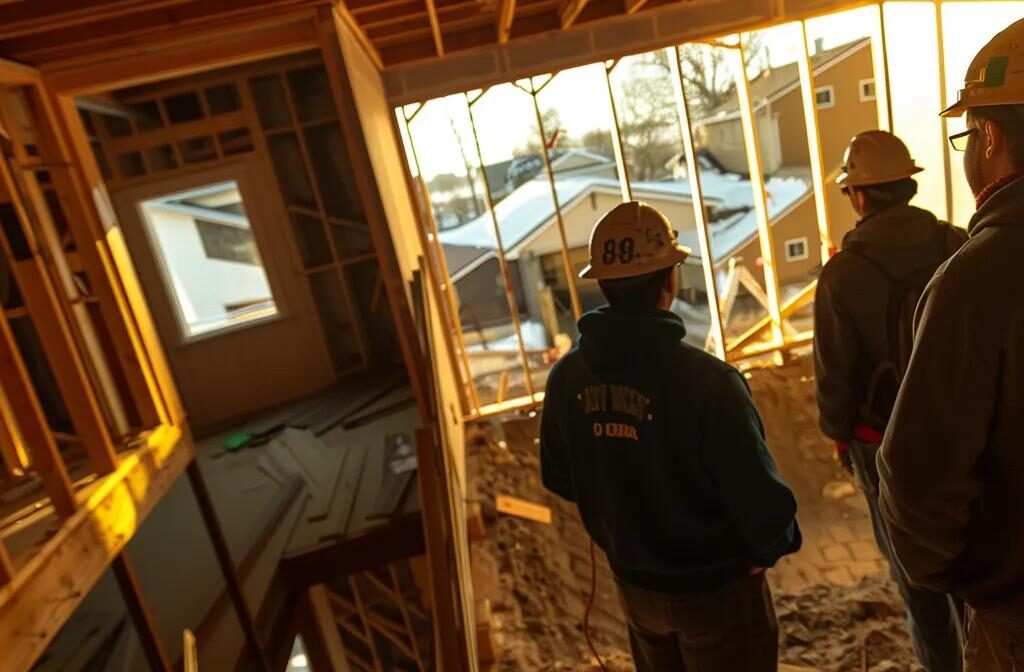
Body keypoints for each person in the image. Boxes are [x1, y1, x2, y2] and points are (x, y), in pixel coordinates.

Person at [540, 201, 801, 672]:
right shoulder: (708, 383)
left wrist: (622, 511)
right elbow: (760, 498)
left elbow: (560, 476)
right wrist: (768, 549)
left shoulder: (566, 380)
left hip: (634, 590)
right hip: (716, 592)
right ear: (670, 281)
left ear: (602, 283)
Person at [877, 18, 1024, 671]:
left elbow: (917, 473)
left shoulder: (978, 277)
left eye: (968, 133)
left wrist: (959, 575)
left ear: (990, 137)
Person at [813, 130, 966, 672]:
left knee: (918, 579)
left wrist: (839, 435)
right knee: (976, 560)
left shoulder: (842, 275)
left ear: (858, 196)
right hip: (966, 432)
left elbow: (835, 379)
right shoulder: (957, 243)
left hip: (884, 448)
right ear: (907, 185)